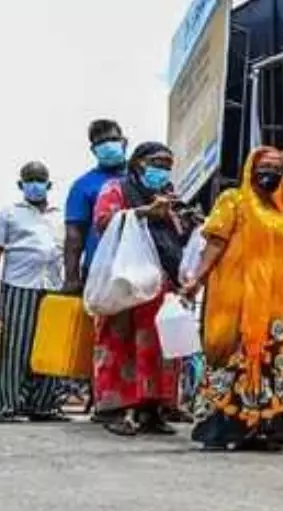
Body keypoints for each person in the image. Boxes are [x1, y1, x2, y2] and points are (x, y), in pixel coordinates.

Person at [182, 147, 283, 451]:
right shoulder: (233, 200)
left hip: (273, 308)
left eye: (278, 168)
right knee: (232, 360)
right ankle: (220, 431)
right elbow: (215, 243)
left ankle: (257, 429)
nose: (272, 173)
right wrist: (196, 279)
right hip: (236, 301)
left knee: (267, 366)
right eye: (265, 166)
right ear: (251, 168)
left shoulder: (281, 211)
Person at [91, 142, 184, 436]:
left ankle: (151, 410)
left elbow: (175, 236)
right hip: (125, 280)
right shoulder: (115, 188)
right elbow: (105, 222)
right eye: (157, 162)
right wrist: (145, 212)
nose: (163, 170)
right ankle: (112, 408)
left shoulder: (167, 196)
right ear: (138, 163)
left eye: (168, 165)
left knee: (158, 347)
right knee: (119, 341)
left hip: (160, 279)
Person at [0, 161, 67, 424]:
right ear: (21, 184)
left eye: (40, 179)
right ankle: (4, 404)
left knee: (50, 347)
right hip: (18, 285)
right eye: (30, 179)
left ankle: (44, 405)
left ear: (49, 184)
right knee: (14, 347)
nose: (35, 184)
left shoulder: (59, 215)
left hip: (52, 286)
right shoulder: (8, 213)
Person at [64, 119, 128, 293]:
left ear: (124, 142)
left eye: (112, 139)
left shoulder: (143, 176)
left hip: (142, 267)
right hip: (99, 270)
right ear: (93, 150)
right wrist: (71, 278)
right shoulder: (83, 185)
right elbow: (74, 235)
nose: (107, 145)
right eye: (100, 143)